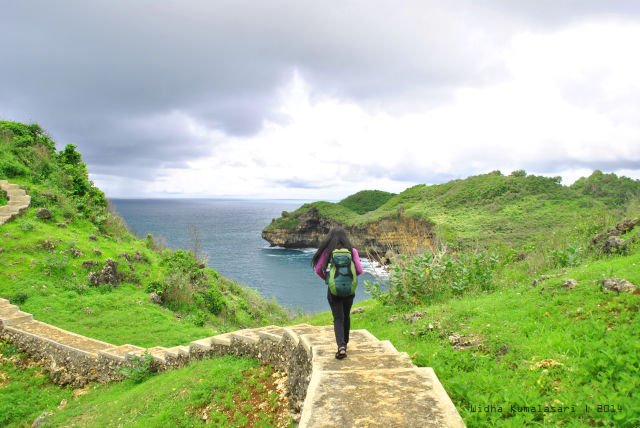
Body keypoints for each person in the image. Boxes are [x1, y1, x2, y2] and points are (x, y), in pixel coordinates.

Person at [311, 227, 363, 359]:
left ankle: (341, 346)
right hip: (349, 290)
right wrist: (349, 278)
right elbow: (359, 270)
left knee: (338, 318)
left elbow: (318, 270)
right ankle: (345, 343)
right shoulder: (353, 251)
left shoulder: (328, 252)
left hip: (334, 290)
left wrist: (329, 280)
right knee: (346, 315)